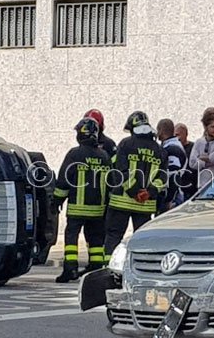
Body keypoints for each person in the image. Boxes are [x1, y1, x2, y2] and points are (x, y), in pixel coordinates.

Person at [51, 118, 111, 283]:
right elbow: (112, 182)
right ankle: (96, 268)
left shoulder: (74, 154)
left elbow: (64, 180)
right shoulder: (104, 156)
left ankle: (70, 269)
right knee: (97, 240)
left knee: (71, 239)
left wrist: (56, 201)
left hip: (78, 208)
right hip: (98, 209)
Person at [104, 111, 167, 256]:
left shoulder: (125, 144)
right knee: (142, 240)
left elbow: (121, 171)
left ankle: (107, 269)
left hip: (122, 202)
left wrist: (134, 192)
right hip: (144, 205)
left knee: (114, 237)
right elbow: (162, 177)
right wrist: (148, 193)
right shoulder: (160, 150)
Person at [156, 118, 187, 213]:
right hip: (170, 194)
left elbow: (174, 175)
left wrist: (169, 200)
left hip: (172, 197)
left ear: (161, 130)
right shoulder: (171, 146)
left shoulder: (172, 149)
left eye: (158, 130)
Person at [174, 122, 198, 200]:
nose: (176, 138)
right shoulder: (173, 148)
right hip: (177, 187)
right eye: (174, 135)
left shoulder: (194, 148)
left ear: (186, 134)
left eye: (178, 135)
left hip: (191, 188)